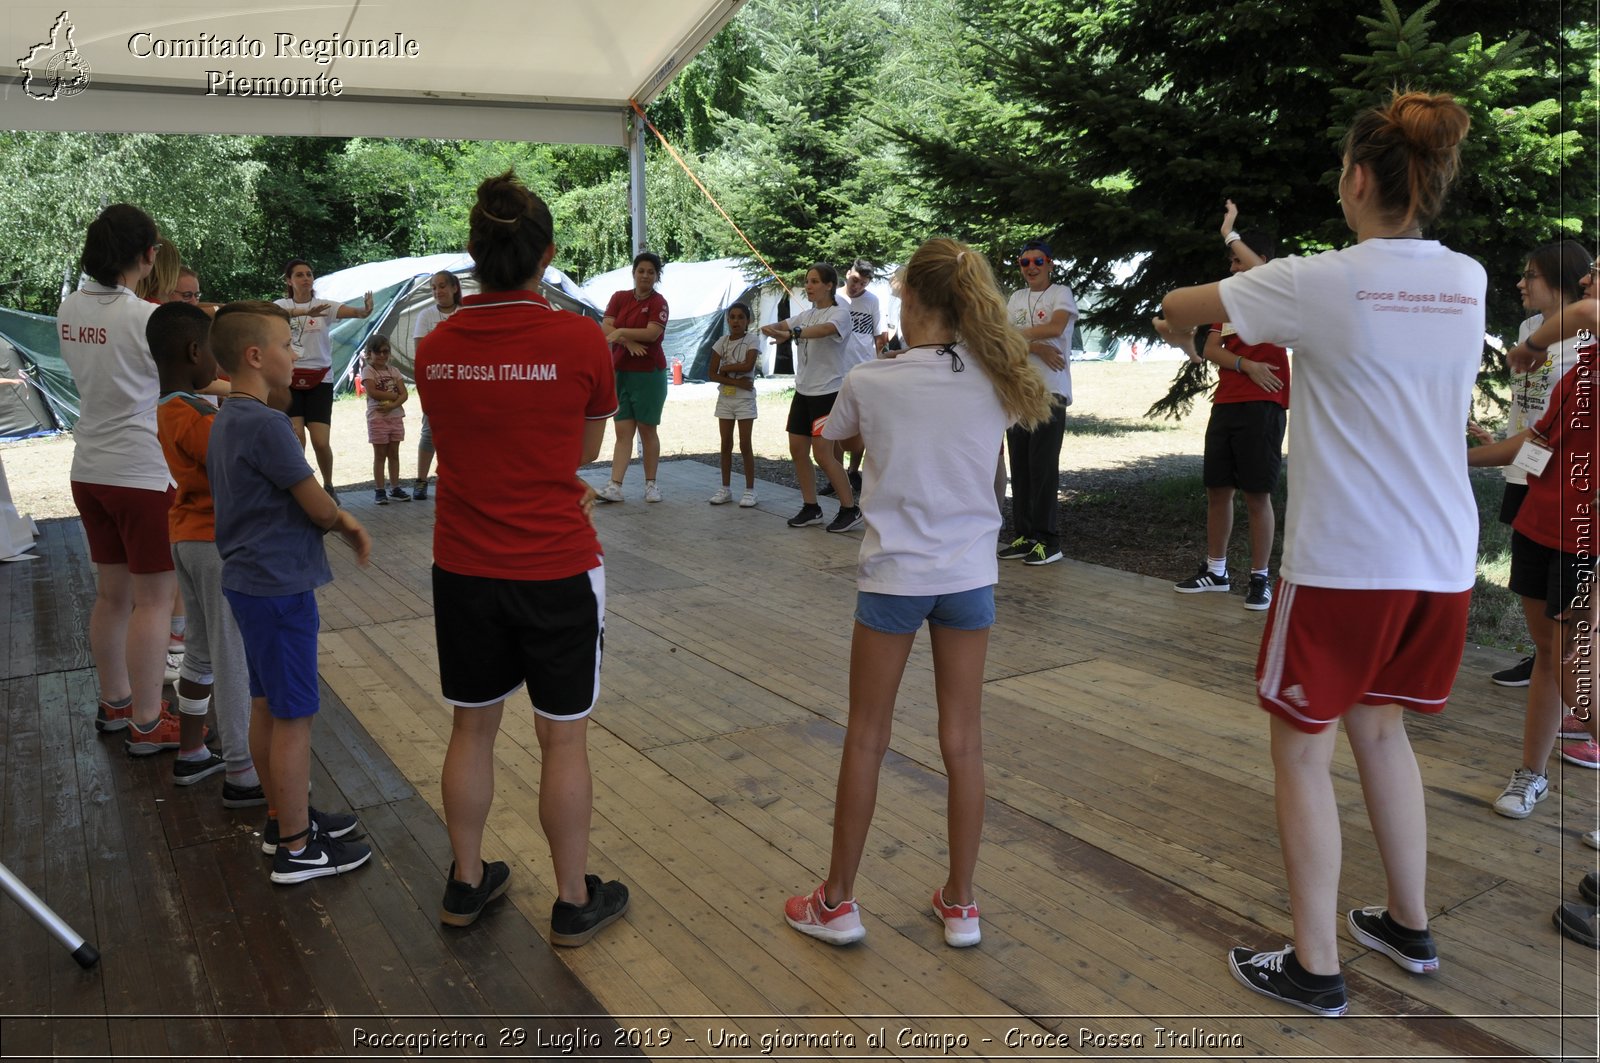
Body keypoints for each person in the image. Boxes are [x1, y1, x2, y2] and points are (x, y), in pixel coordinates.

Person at [1161, 89, 1483, 1017]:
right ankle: (1408, 926)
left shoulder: (1317, 279)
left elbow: (1184, 304)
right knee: (1384, 730)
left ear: (1355, 178)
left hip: (1347, 563)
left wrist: (1212, 307)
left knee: (1303, 753)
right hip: (1442, 561)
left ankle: (1314, 965)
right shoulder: (1466, 278)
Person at [783, 239, 1053, 949]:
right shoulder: (993, 378)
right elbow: (991, 464)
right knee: (963, 742)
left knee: (867, 736)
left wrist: (835, 455)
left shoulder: (872, 380)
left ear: (909, 300)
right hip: (969, 578)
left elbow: (828, 441)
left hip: (895, 578)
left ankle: (837, 899)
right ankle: (961, 902)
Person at [414, 170, 629, 943]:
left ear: (472, 254)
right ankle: (573, 898)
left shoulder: (434, 348)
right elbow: (585, 449)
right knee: (561, 736)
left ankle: (466, 881)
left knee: (471, 727)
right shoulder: (579, 339)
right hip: (556, 565)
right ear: (548, 256)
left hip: (464, 565)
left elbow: (462, 444)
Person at [208, 300, 373, 884]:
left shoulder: (229, 417)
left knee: (266, 705)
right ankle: (298, 849)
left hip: (250, 584)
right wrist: (349, 524)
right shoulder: (268, 426)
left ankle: (283, 819)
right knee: (295, 715)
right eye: (286, 344)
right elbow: (317, 503)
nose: (296, 353)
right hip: (280, 589)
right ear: (255, 356)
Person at [1468, 306, 1599, 941]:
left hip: (1586, 540)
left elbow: (1585, 314)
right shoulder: (1584, 369)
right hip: (1542, 528)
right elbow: (1539, 442)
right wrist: (1463, 457)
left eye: (1597, 275)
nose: (1589, 287)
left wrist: (1530, 345)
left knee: (1581, 672)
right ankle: (1532, 775)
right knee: (1550, 657)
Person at [57, 204, 184, 747]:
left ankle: (116, 704)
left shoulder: (68, 308)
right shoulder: (145, 317)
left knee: (113, 597)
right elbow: (186, 378)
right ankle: (149, 723)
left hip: (89, 470)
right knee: (155, 600)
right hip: (140, 474)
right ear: (147, 255)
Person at [151, 302, 263, 804]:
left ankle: (193, 751)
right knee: (231, 653)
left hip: (186, 539)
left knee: (199, 651)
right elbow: (239, 461)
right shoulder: (194, 415)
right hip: (215, 543)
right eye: (213, 355)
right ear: (196, 351)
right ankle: (242, 770)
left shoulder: (170, 406)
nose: (217, 366)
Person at [1484, 241, 1594, 692]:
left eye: (1531, 276)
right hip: (1524, 464)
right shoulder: (1532, 325)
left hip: (1562, 472)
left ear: (1562, 280)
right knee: (1534, 580)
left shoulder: (1587, 335)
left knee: (1567, 586)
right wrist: (1502, 447)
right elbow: (1528, 407)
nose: (1520, 283)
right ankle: (1544, 659)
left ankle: (1568, 671)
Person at [1171, 205, 1290, 611]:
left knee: (1258, 494)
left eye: (1238, 259)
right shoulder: (1228, 301)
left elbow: (1258, 271)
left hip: (1265, 405)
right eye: (1231, 260)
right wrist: (1246, 364)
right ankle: (1216, 571)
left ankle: (1260, 578)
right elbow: (1210, 348)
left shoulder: (1275, 291)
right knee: (1217, 489)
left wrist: (1228, 231)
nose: (1233, 266)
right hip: (1227, 404)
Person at [759, 263, 863, 533]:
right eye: (807, 281)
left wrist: (792, 333)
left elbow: (824, 330)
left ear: (829, 285)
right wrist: (767, 329)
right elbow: (783, 325)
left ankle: (850, 509)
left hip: (827, 394)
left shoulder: (841, 314)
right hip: (803, 393)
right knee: (797, 450)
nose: (808, 286)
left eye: (814, 281)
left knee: (823, 454)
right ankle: (811, 507)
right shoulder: (806, 315)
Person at [998, 239, 1075, 567]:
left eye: (1038, 261)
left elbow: (1056, 326)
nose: (1031, 267)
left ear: (1050, 264)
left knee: (1043, 466)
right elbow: (999, 338)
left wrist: (1020, 338)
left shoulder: (1062, 293)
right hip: (1018, 394)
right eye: (1024, 262)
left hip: (1049, 392)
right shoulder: (1015, 298)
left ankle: (1048, 540)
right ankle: (1025, 535)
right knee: (1022, 467)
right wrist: (1037, 347)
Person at [274, 259, 373, 501]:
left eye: (309, 274)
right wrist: (303, 312)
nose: (306, 278)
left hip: (320, 379)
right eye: (299, 275)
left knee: (320, 441)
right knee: (297, 435)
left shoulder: (324, 306)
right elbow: (269, 314)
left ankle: (328, 484)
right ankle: (299, 489)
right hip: (290, 379)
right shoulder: (281, 305)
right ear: (289, 281)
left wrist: (364, 310)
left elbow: (354, 313)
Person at [595, 252, 670, 504]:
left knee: (647, 429)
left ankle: (651, 485)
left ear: (657, 276)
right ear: (634, 273)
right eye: (641, 271)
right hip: (622, 372)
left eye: (651, 272)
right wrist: (627, 342)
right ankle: (615, 485)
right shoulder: (619, 297)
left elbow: (651, 334)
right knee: (622, 431)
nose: (645, 275)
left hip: (649, 374)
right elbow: (605, 327)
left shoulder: (659, 303)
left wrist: (621, 333)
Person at [829, 258, 885, 497]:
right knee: (836, 423)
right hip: (837, 369)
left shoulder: (872, 301)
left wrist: (879, 364)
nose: (857, 287)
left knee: (859, 424)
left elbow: (879, 335)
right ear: (847, 273)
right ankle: (836, 473)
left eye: (862, 284)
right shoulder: (836, 299)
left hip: (863, 369)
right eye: (854, 281)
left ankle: (854, 470)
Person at [412, 271, 461, 500]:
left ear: (454, 288)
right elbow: (421, 352)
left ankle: (456, 479)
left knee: (462, 432)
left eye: (442, 286)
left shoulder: (466, 313)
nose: (437, 291)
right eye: (433, 287)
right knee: (430, 431)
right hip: (436, 382)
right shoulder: (426, 316)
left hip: (463, 382)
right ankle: (421, 480)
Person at [706, 302, 759, 507]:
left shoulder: (752, 340)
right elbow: (712, 373)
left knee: (745, 444)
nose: (736, 321)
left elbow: (748, 364)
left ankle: (750, 490)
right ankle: (725, 488)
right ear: (727, 320)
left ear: (747, 321)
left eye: (741, 317)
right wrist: (737, 381)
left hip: (745, 400)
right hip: (726, 399)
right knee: (725, 443)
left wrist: (726, 368)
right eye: (732, 317)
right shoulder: (722, 342)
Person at [359, 334, 411, 505]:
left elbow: (405, 394)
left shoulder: (394, 371)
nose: (382, 356)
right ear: (369, 353)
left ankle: (395, 487)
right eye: (378, 352)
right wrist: (394, 396)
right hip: (377, 419)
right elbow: (372, 392)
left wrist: (392, 404)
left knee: (394, 454)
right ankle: (380, 490)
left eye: (386, 352)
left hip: (395, 417)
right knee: (380, 455)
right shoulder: (368, 371)